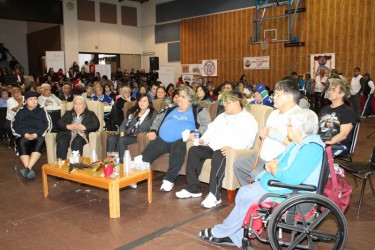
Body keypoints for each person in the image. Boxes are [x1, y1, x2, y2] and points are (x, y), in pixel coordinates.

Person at [197, 109, 325, 247]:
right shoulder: (297, 144)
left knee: (247, 196)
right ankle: (234, 235)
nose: (287, 128)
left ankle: (223, 232)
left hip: (294, 193)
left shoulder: (311, 149)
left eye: (289, 125)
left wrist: (274, 168)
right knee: (244, 192)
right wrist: (273, 166)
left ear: (299, 128)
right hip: (281, 185)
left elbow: (292, 178)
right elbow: (278, 159)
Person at [176, 91, 258, 208]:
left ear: (236, 102)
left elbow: (248, 140)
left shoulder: (248, 120)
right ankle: (193, 188)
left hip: (229, 150)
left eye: (227, 102)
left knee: (219, 155)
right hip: (213, 146)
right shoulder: (222, 116)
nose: (224, 105)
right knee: (194, 150)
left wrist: (232, 148)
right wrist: (202, 140)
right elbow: (210, 131)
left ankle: (215, 195)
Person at [140, 87, 212, 191]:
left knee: (178, 147)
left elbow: (207, 125)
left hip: (181, 140)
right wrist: (153, 130)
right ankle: (135, 176)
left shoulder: (198, 110)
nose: (179, 99)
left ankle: (169, 179)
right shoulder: (170, 109)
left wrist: (197, 133)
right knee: (145, 156)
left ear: (190, 99)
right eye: (179, 96)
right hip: (163, 139)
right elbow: (157, 119)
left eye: (183, 97)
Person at [234, 79, 301, 187]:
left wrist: (276, 135)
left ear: (290, 97)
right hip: (262, 156)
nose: (273, 97)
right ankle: (250, 193)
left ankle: (260, 197)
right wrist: (262, 136)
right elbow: (264, 138)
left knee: (256, 174)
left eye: (278, 95)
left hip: (279, 162)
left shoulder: (299, 116)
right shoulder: (273, 113)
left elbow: (298, 147)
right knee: (239, 164)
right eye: (274, 94)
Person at [11, 91, 52, 179]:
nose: (34, 101)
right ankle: (28, 169)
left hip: (37, 136)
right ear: (25, 101)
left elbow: (48, 125)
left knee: (40, 140)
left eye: (35, 99)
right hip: (23, 135)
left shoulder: (42, 110)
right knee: (22, 141)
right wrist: (24, 134)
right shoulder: (20, 111)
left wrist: (37, 134)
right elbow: (13, 126)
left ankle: (27, 168)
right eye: (31, 99)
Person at [107, 94, 157, 162]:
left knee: (122, 140)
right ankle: (110, 162)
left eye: (144, 101)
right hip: (128, 133)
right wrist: (122, 133)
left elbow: (151, 126)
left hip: (139, 135)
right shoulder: (133, 111)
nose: (142, 103)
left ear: (149, 103)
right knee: (111, 138)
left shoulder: (152, 113)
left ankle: (122, 163)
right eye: (140, 101)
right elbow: (124, 124)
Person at [319, 78, 356, 156]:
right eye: (329, 90)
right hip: (324, 142)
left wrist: (324, 143)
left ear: (342, 94)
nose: (329, 92)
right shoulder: (324, 109)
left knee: (319, 155)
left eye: (333, 90)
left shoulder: (347, 111)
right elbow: (318, 129)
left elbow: (343, 135)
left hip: (339, 145)